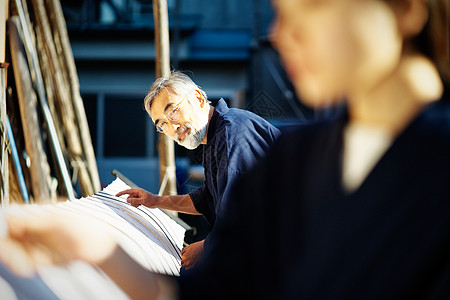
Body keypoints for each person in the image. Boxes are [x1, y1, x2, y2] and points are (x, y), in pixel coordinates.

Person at [1, 0, 449, 299]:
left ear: (406, 9)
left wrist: (205, 247)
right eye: (161, 123)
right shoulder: (300, 156)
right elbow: (214, 219)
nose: (280, 32)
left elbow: (235, 221)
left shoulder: (234, 133)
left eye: (309, 6)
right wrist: (99, 247)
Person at [115, 71, 281, 270]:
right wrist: (155, 201)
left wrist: (206, 247)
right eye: (162, 124)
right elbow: (208, 198)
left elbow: (245, 213)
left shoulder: (230, 135)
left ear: (199, 99)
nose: (172, 126)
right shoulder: (214, 137)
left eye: (173, 111)